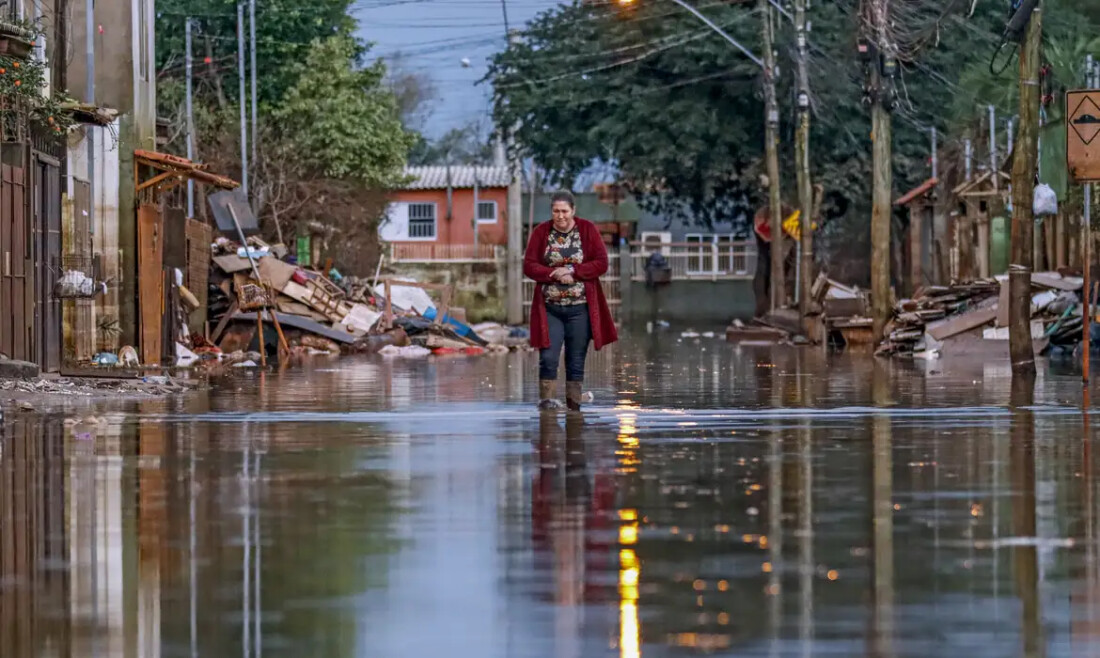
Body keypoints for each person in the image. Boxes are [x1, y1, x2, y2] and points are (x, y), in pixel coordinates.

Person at [525, 190, 618, 410]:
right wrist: (553, 273)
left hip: (580, 309)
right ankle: (547, 404)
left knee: (575, 361)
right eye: (556, 211)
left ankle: (574, 406)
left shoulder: (587, 230)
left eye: (564, 211)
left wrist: (573, 271)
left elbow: (601, 263)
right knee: (548, 357)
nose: (560, 216)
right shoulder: (541, 232)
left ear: (573, 211)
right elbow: (529, 265)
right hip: (550, 308)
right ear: (551, 211)